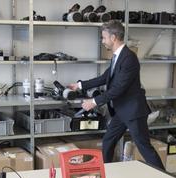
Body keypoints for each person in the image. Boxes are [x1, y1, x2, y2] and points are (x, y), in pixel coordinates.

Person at [68, 20, 164, 169]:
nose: (103, 41)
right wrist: (79, 85)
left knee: (144, 147)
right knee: (108, 141)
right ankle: (105, 173)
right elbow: (104, 78)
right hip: (122, 110)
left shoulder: (129, 58)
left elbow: (118, 89)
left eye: (104, 37)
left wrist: (94, 101)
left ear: (113, 38)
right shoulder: (117, 57)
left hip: (133, 111)